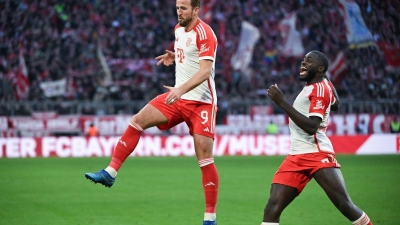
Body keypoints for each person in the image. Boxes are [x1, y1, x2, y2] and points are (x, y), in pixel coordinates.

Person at [85, 1, 219, 224]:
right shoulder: (178, 30)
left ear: (196, 10)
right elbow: (190, 55)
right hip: (178, 98)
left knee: (204, 158)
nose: (179, 11)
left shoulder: (206, 33)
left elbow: (205, 71)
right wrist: (175, 57)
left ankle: (210, 218)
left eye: (184, 8)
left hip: (201, 103)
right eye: (177, 7)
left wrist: (181, 89)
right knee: (137, 121)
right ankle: (110, 172)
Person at [261, 50, 373, 225]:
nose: (303, 63)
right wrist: (326, 79)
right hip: (296, 156)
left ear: (320, 69)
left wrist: (281, 102)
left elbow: (312, 127)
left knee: (344, 205)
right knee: (273, 206)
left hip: (316, 154)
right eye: (304, 60)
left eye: (309, 61)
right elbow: (336, 104)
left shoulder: (319, 89)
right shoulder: (318, 86)